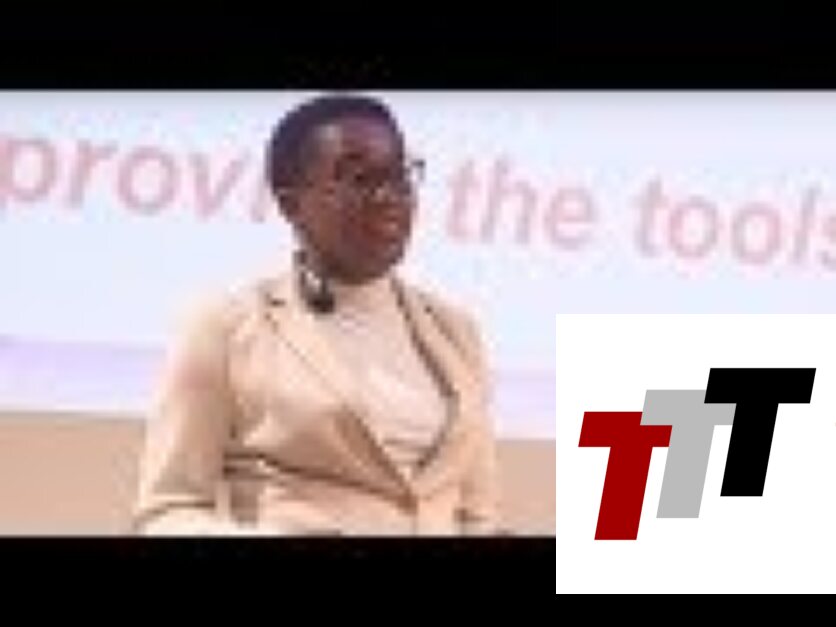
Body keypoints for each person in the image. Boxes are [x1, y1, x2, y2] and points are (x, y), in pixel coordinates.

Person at [132, 93, 500, 535]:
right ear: (291, 204)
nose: (389, 196)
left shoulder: (456, 332)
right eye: (359, 178)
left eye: (399, 175)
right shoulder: (226, 327)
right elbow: (167, 511)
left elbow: (477, 518)